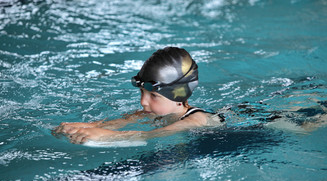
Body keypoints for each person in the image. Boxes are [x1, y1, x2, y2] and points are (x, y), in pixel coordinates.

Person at [53, 47, 225, 144]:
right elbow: (116, 123)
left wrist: (105, 136)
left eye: (153, 96)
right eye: (142, 92)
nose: (143, 102)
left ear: (178, 96)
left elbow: (151, 135)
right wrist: (83, 127)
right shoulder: (155, 112)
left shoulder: (197, 120)